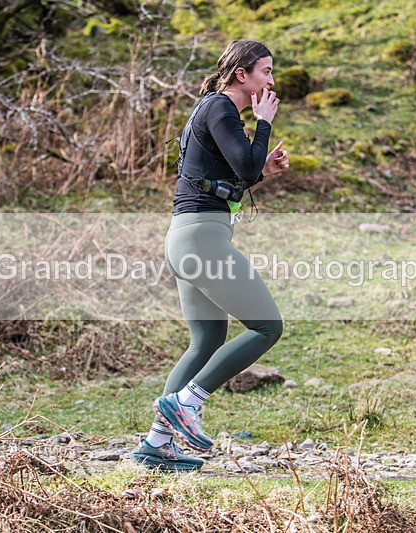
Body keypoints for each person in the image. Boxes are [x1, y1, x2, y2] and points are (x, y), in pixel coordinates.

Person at [131, 40, 290, 471]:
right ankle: (188, 402)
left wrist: (264, 170)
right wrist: (263, 122)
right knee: (267, 326)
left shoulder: (215, 110)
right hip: (201, 239)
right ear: (242, 74)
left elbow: (233, 174)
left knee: (206, 340)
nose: (271, 80)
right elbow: (244, 166)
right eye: (266, 71)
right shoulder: (221, 108)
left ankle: (156, 444)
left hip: (187, 238)